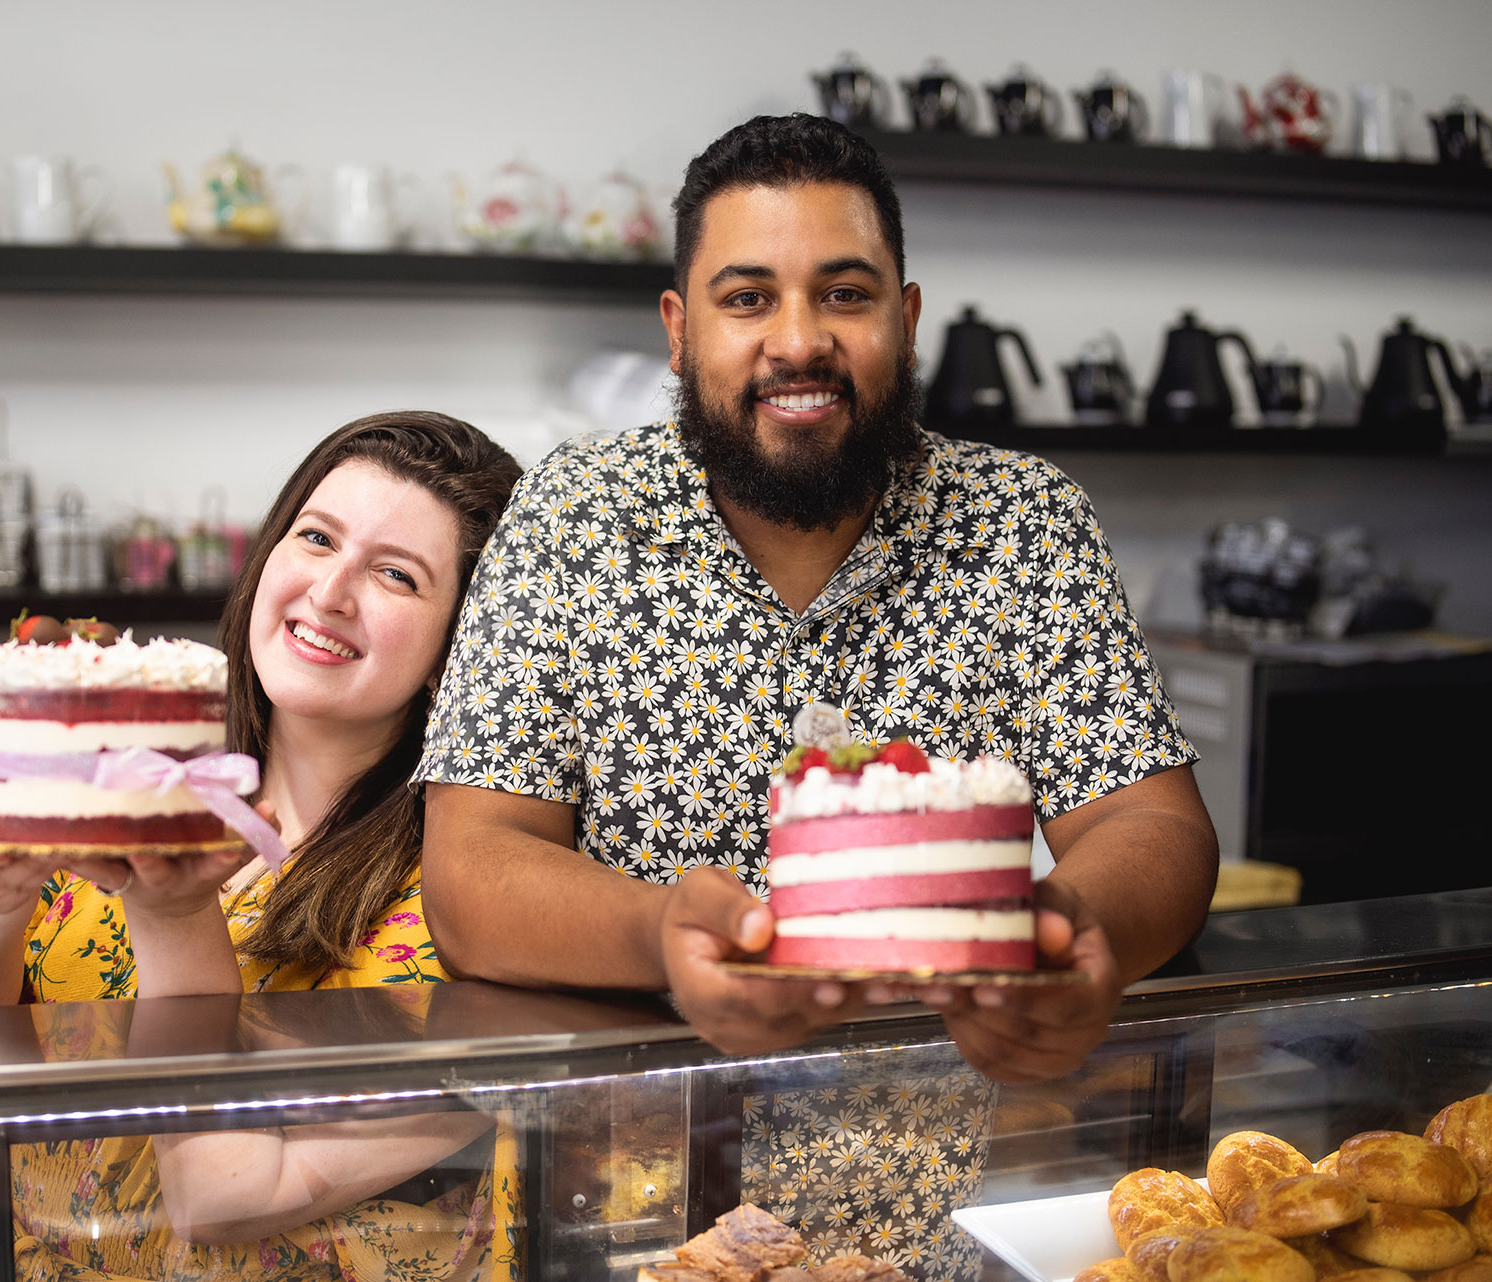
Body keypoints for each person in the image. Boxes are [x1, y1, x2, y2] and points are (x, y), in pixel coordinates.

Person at [415, 115, 1219, 1271]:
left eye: (844, 292)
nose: (799, 339)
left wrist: (1070, 933)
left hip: (920, 1238)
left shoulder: (1022, 523)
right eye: (748, 298)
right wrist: (661, 934)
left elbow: (1154, 826)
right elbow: (471, 871)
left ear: (906, 315)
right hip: (626, 1231)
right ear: (680, 330)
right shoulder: (577, 514)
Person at [0, 411, 524, 1280]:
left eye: (396, 575)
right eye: (316, 537)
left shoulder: (467, 903)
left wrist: (174, 914)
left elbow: (223, 1202)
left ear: (454, 650)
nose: (331, 591)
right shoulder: (125, 785)